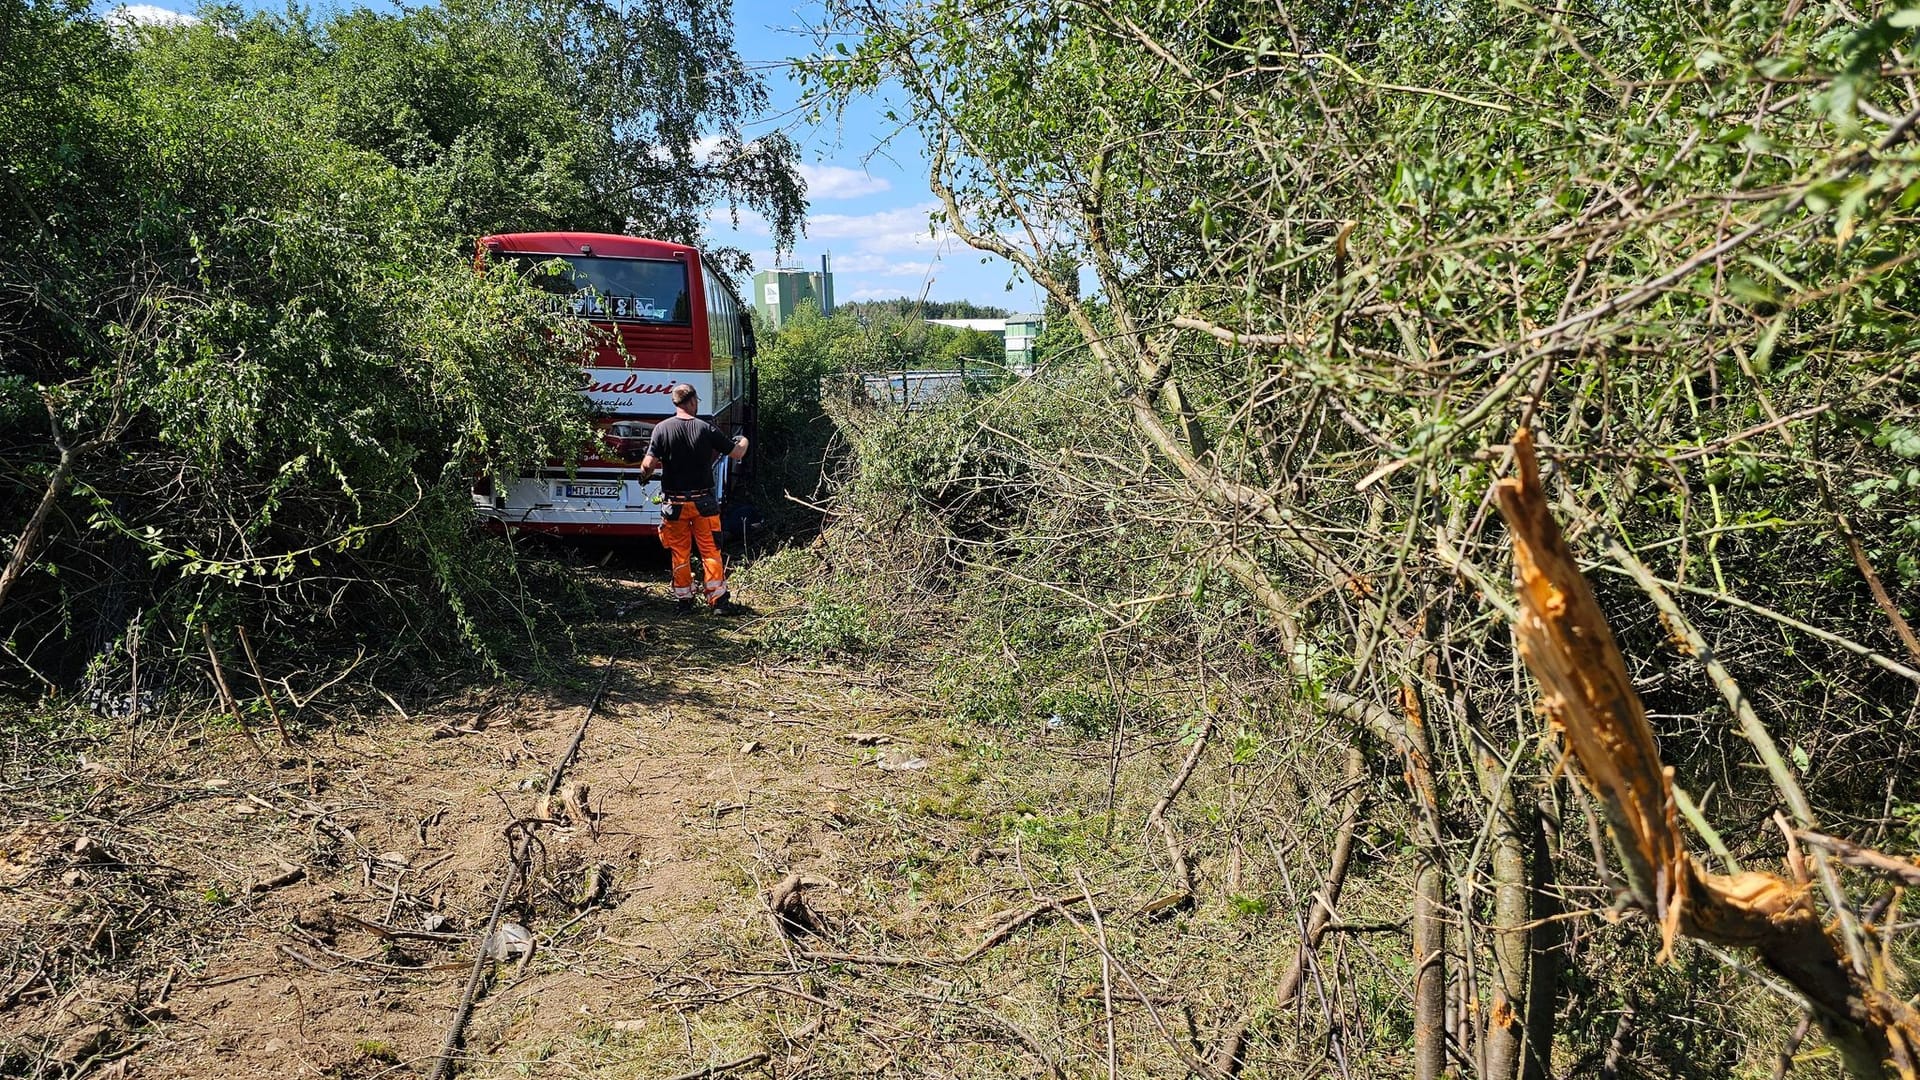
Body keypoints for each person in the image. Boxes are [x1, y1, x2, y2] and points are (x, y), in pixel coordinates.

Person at [639, 384, 749, 613]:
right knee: (710, 550)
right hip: (704, 504)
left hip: (674, 504)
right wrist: (744, 440)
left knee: (680, 551)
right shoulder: (706, 428)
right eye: (696, 401)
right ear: (691, 402)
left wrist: (644, 477)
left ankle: (684, 601)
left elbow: (648, 465)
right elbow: (737, 452)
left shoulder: (661, 429)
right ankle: (717, 601)